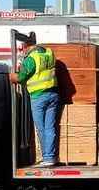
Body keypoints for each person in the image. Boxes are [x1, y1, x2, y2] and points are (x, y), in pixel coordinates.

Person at [9, 35, 60, 167]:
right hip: (53, 94)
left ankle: (47, 157)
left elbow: (21, 78)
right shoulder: (49, 53)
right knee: (50, 127)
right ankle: (51, 156)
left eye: (22, 48)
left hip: (39, 97)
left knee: (41, 128)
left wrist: (12, 76)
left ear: (26, 46)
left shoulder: (31, 58)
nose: (22, 51)